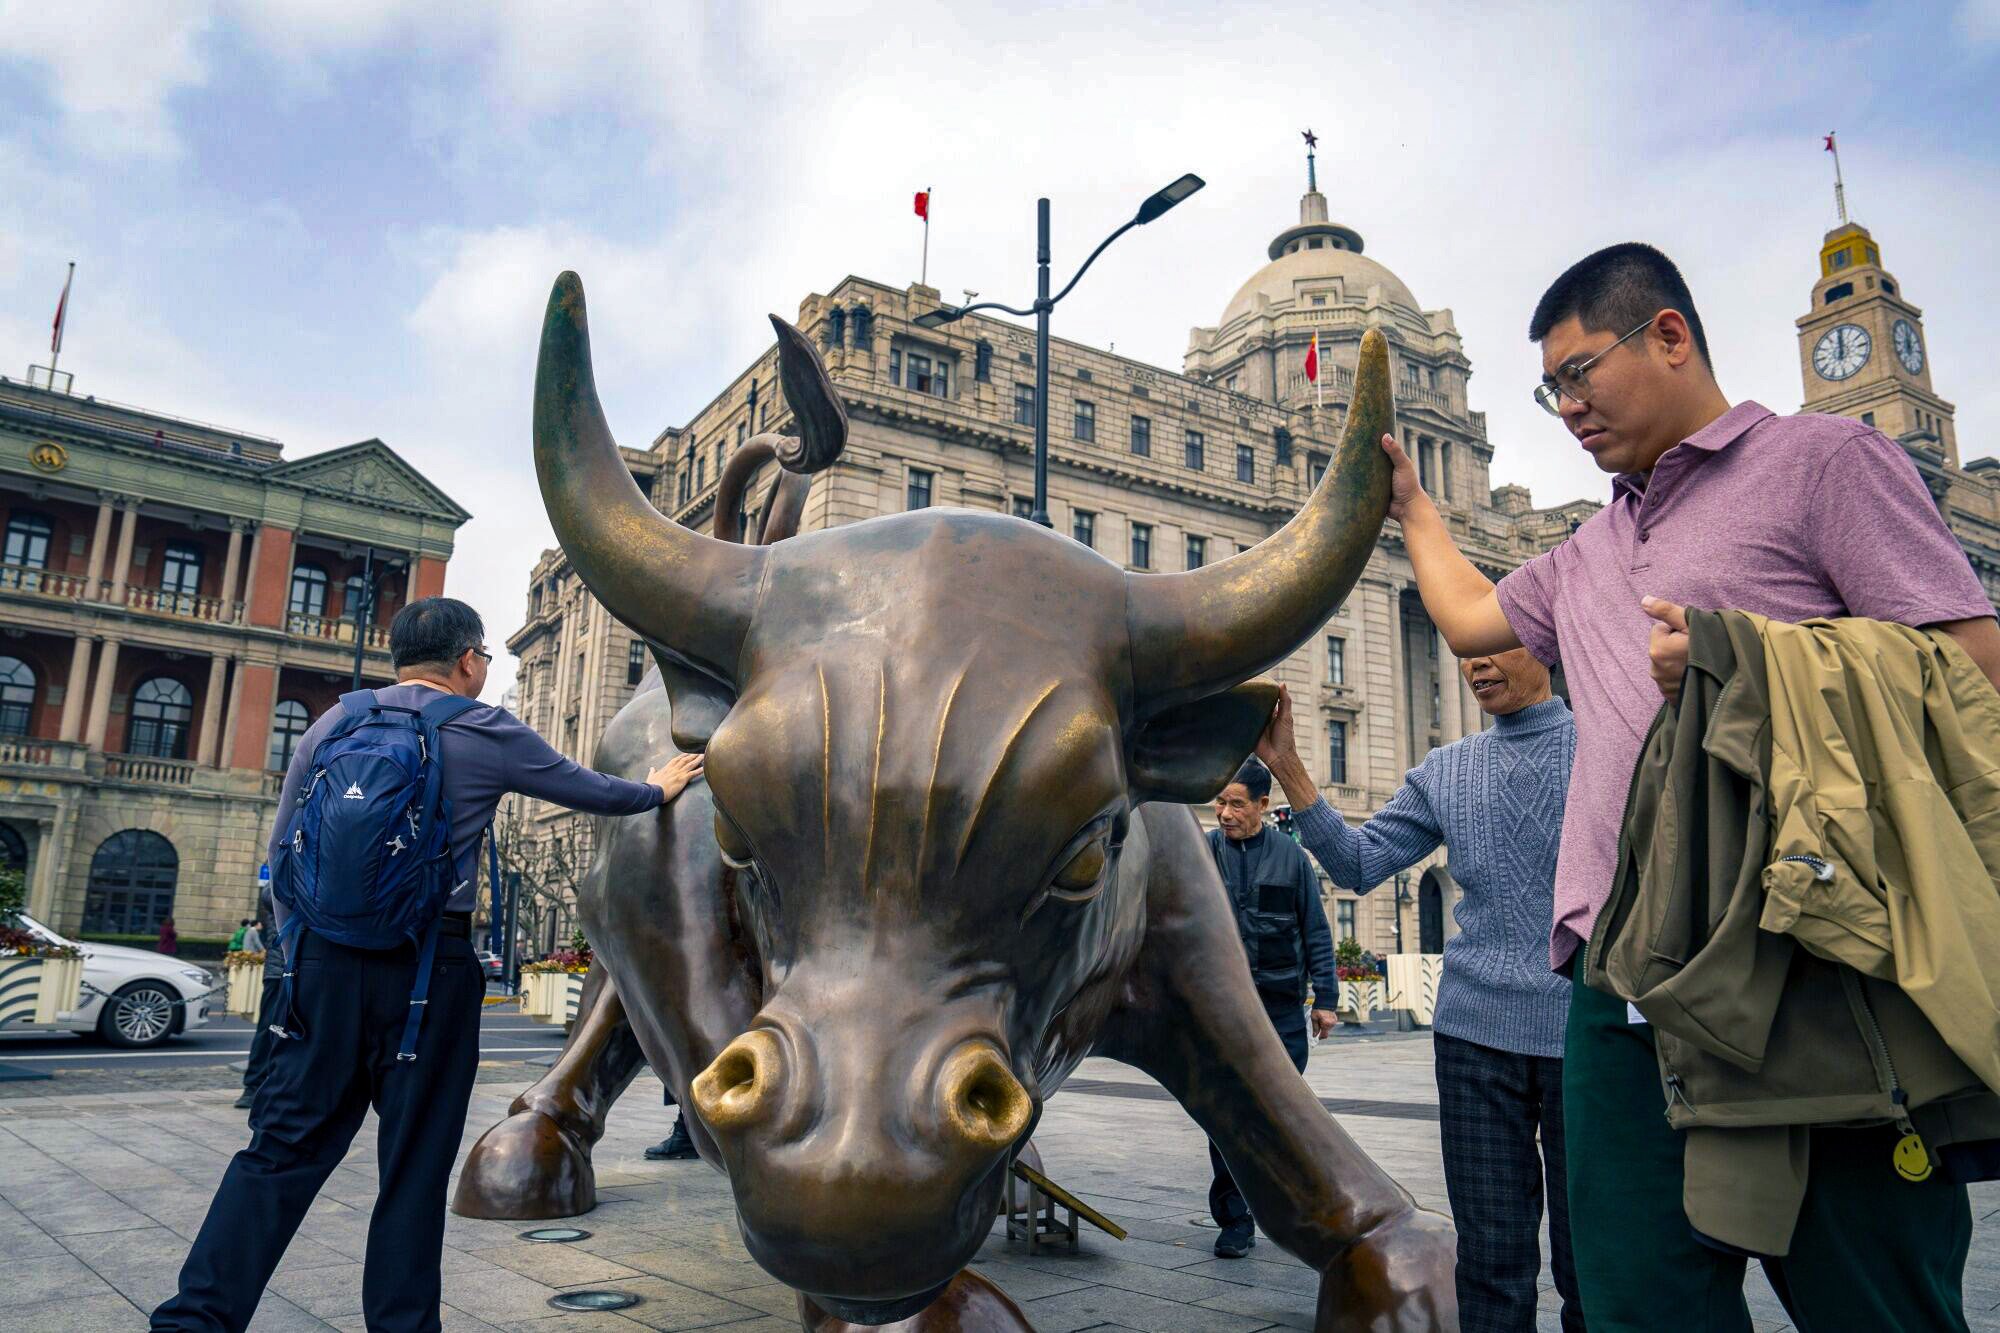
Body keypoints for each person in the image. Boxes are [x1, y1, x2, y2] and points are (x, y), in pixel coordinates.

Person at [1386, 241, 2000, 1330]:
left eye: (1579, 372)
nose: (1564, 406)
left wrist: (1747, 659)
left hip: (1809, 962)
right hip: (1615, 981)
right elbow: (1470, 617)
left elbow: (1967, 673)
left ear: (1666, 334)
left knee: (1873, 1297)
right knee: (1633, 1302)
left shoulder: (1822, 461)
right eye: (1548, 388)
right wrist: (1411, 509)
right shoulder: (1585, 547)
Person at [154, 597, 705, 1333]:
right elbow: (590, 790)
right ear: (469, 659)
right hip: (427, 974)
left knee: (279, 1150)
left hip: (323, 966)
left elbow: (283, 857)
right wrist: (657, 786)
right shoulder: (483, 727)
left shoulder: (335, 723)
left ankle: (197, 1317)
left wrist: (302, 959)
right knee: (412, 1169)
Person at [1257, 657, 1581, 1332]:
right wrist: (1286, 765)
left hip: (1584, 1034)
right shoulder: (1447, 768)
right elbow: (1356, 862)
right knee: (1491, 1264)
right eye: (1466, 650)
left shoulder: (1606, 746)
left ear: (1545, 642)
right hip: (1474, 1040)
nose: (1475, 662)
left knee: (1594, 1263)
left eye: (1494, 642)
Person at [1204, 758, 1338, 1259]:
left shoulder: (1292, 858)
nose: (1224, 813)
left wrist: (1325, 999)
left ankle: (1288, 1208)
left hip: (1281, 1010)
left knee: (1281, 1113)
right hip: (1222, 1010)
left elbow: (1317, 932)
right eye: (1220, 801)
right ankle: (1235, 1219)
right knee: (1226, 1116)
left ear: (1263, 805)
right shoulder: (1203, 855)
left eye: (1236, 803)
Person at [233, 887, 279, 1112]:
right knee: (268, 1030)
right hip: (280, 970)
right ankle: (253, 1087)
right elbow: (270, 895)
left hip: (312, 969)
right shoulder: (287, 857)